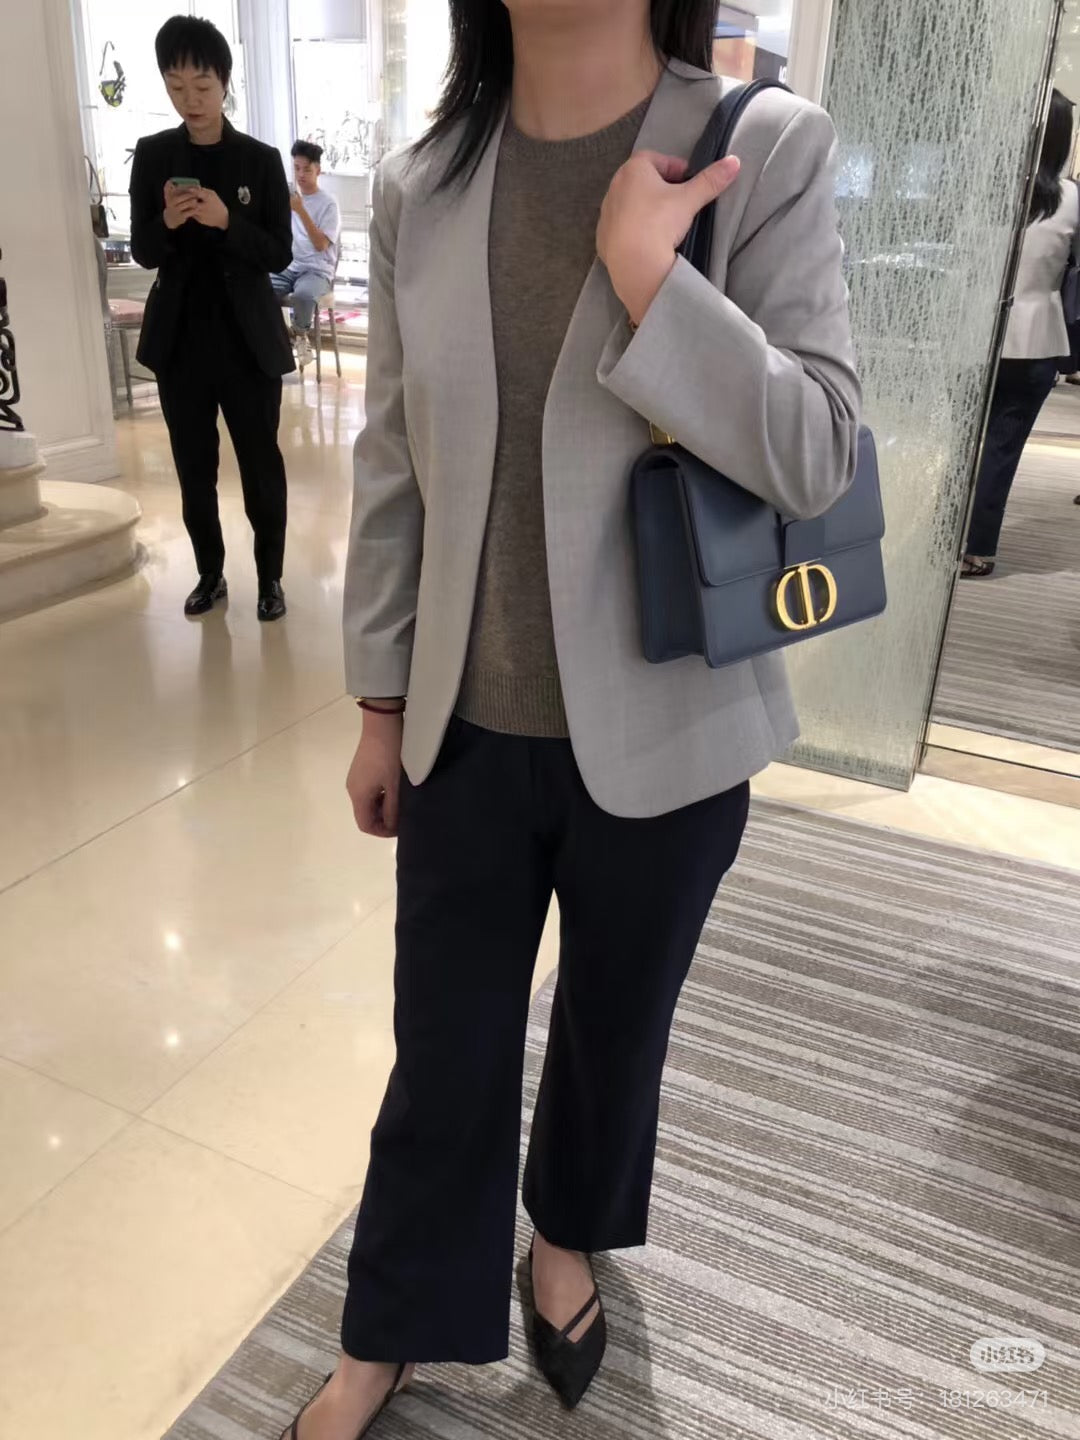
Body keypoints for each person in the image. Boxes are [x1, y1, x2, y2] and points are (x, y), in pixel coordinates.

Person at [283, 2, 859, 1436]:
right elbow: (395, 467)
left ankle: (565, 1242)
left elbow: (817, 449)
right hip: (464, 731)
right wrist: (380, 705)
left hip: (673, 725)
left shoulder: (759, 148)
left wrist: (654, 281)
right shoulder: (423, 184)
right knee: (446, 1050)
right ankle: (393, 1321)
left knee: (614, 1033)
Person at [130, 15, 293, 622]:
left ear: (224, 82)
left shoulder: (260, 160)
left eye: (201, 86)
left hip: (248, 344)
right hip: (181, 344)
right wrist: (169, 223)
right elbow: (143, 249)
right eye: (176, 87)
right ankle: (209, 573)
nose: (190, 100)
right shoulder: (154, 155)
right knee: (194, 469)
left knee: (261, 467)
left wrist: (228, 222)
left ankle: (271, 578)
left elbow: (278, 253)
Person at [963, 89, 1078, 578]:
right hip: (1035, 339)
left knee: (961, 446)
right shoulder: (1072, 199)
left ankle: (942, 537)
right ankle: (977, 549)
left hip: (972, 335)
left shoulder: (984, 185)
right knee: (1002, 449)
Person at [271, 141, 342, 369]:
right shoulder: (288, 199)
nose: (301, 174)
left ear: (318, 170)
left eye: (307, 170)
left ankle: (301, 335)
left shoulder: (328, 204)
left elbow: (321, 244)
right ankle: (286, 337)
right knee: (261, 289)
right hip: (289, 266)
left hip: (317, 271)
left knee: (303, 295)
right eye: (296, 168)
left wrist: (300, 210)